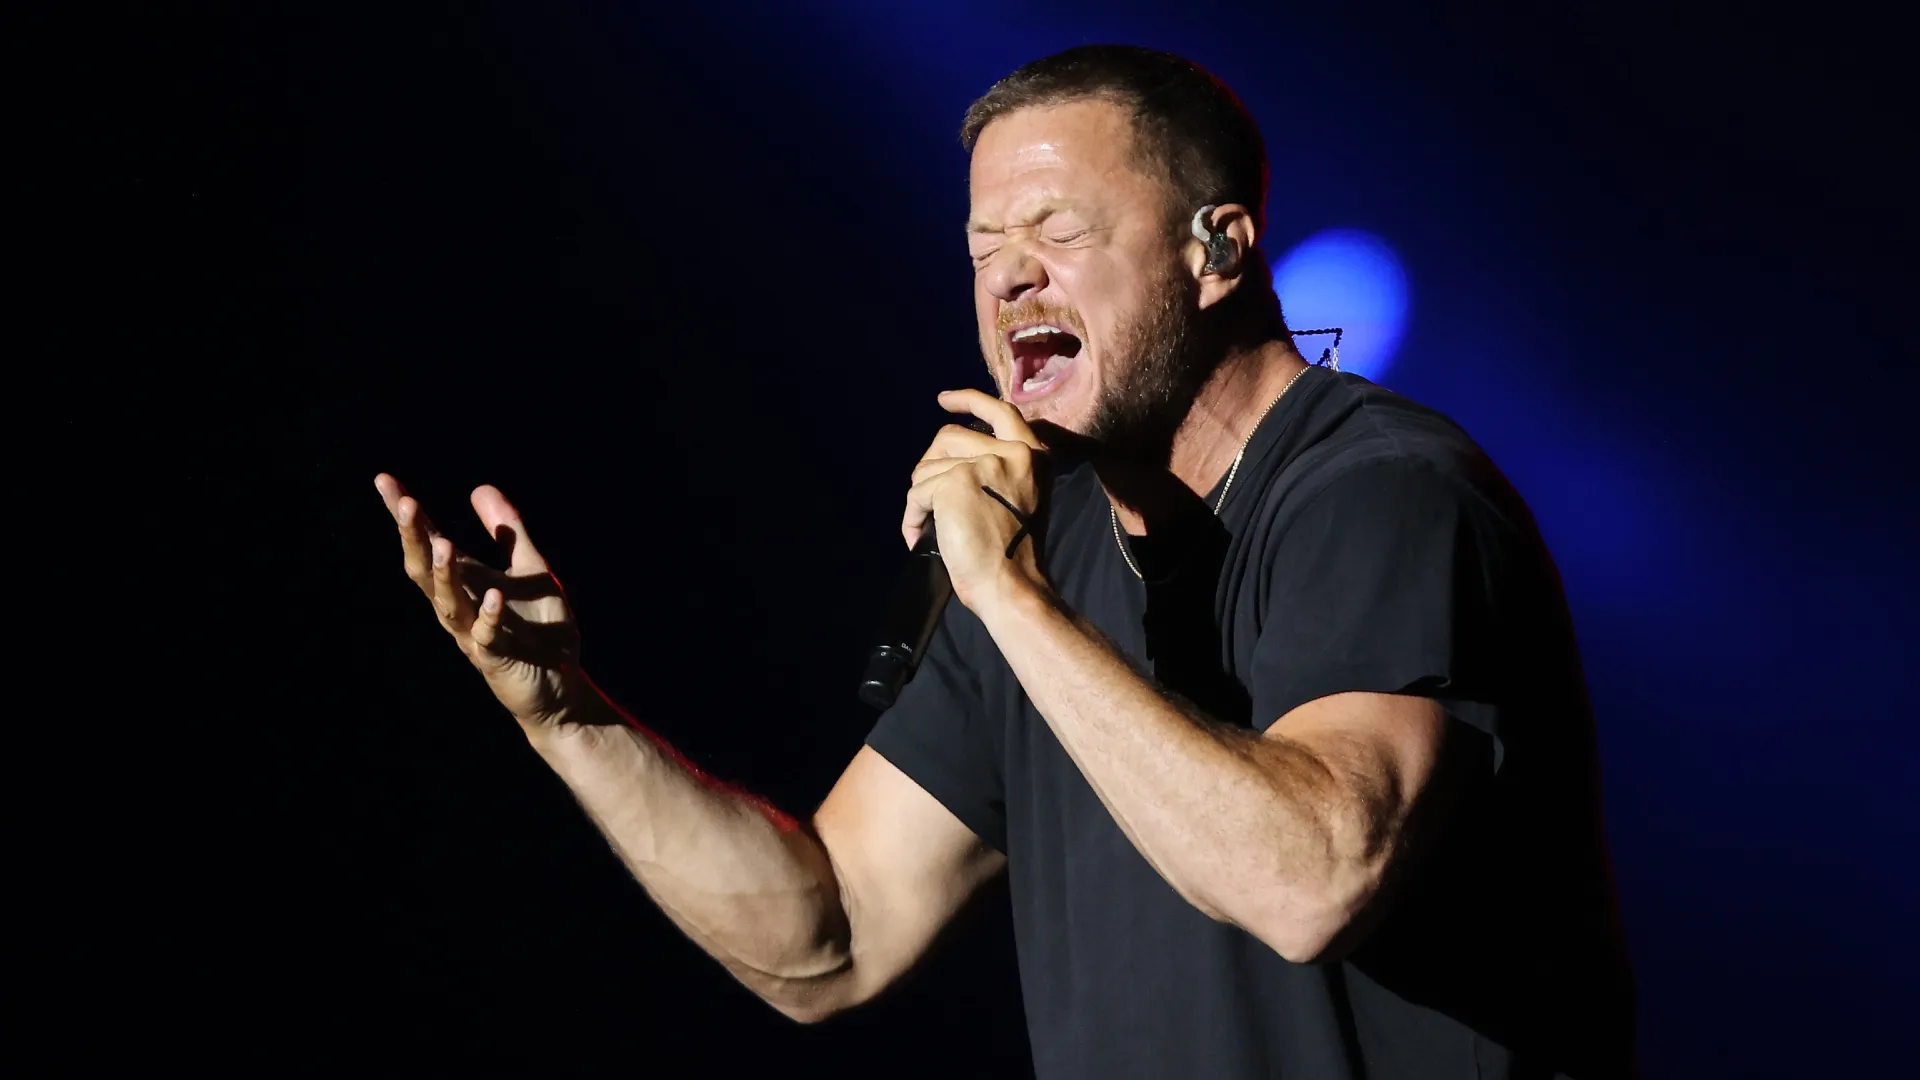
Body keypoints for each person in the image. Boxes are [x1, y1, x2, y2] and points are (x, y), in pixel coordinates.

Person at [373, 44, 1635, 1080]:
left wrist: (1007, 597)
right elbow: (835, 938)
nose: (1010, 275)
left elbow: (1315, 880)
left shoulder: (1380, 493)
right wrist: (568, 719)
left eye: (1058, 228)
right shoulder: (1040, 559)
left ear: (1221, 249)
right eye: (983, 247)